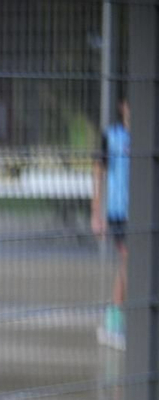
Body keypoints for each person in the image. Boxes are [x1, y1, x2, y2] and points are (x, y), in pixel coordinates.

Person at [93, 97, 130, 351]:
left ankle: (117, 317)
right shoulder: (112, 136)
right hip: (119, 212)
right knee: (130, 260)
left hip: (145, 211)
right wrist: (97, 211)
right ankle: (114, 322)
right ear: (123, 105)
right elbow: (99, 170)